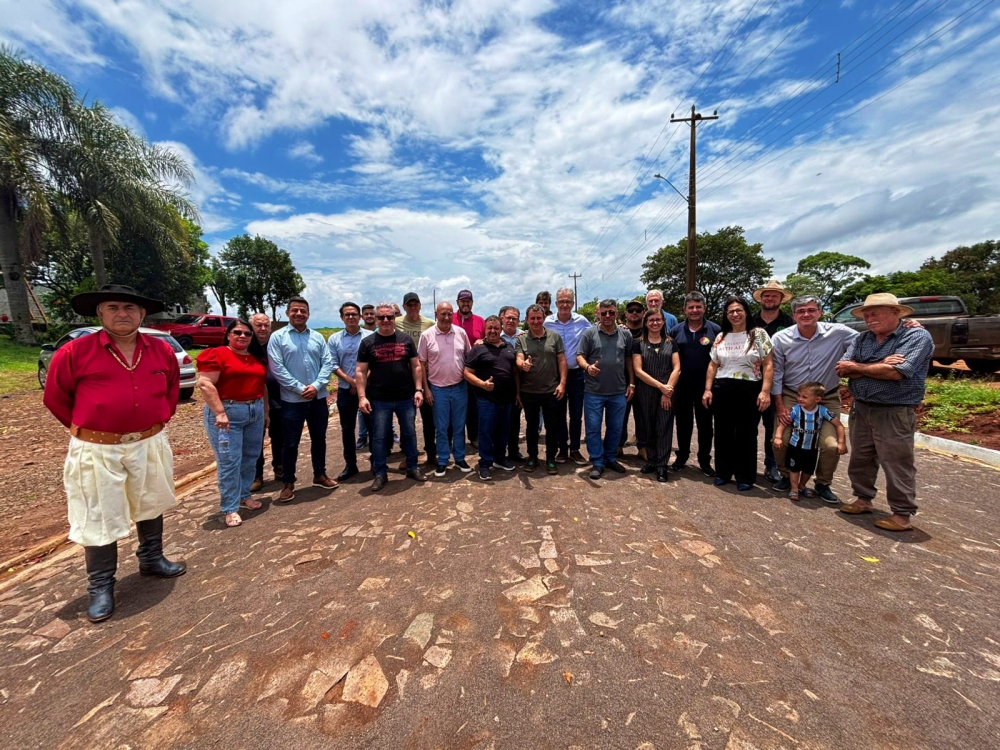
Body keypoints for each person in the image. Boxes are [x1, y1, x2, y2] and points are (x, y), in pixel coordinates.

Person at [43, 284, 186, 623]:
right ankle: (101, 585)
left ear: (142, 314)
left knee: (151, 500)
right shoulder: (75, 352)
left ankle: (152, 558)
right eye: (114, 307)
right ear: (100, 313)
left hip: (149, 442)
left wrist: (159, 418)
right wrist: (88, 427)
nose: (123, 313)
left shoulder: (160, 351)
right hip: (98, 447)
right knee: (99, 513)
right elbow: (55, 398)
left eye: (130, 308)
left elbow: (171, 390)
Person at [836, 294, 934, 531]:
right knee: (861, 457)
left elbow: (898, 372)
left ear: (895, 312)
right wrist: (881, 363)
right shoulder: (862, 339)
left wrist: (859, 367)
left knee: (897, 461)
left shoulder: (917, 336)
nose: (870, 318)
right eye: (867, 314)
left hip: (894, 410)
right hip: (862, 406)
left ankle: (902, 514)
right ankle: (863, 498)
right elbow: (842, 368)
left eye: (875, 313)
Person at [770, 295, 859, 503]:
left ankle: (823, 483)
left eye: (811, 310)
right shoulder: (781, 338)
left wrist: (906, 328)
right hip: (793, 395)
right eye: (801, 311)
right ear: (794, 315)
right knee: (781, 439)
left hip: (826, 397)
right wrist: (780, 404)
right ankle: (786, 476)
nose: (806, 314)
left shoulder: (838, 333)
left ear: (820, 312)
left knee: (830, 444)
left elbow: (869, 339)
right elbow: (777, 373)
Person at [197, 319, 269, 527]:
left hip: (254, 410)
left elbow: (262, 386)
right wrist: (219, 412)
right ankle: (230, 507)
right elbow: (205, 383)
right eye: (237, 332)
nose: (243, 336)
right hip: (228, 413)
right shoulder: (217, 354)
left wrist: (265, 412)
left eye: (248, 334)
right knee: (229, 461)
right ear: (228, 334)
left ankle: (244, 495)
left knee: (250, 456)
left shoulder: (255, 358)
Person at [267, 296, 338, 503]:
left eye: (303, 311)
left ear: (308, 314)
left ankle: (320, 474)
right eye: (295, 310)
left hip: (317, 399)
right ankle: (288, 482)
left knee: (319, 438)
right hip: (291, 400)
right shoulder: (278, 337)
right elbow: (276, 368)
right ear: (288, 312)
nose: (299, 314)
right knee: (290, 443)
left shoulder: (317, 337)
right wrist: (299, 388)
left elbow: (328, 363)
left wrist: (316, 386)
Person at [703, 296, 773, 491]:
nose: (735, 314)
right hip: (723, 389)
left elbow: (768, 365)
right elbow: (713, 364)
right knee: (723, 433)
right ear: (726, 315)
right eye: (731, 311)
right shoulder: (721, 337)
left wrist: (765, 392)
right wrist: (708, 389)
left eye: (738, 310)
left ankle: (745, 476)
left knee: (746, 434)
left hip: (749, 389)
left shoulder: (758, 334)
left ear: (746, 312)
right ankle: (723, 472)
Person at [356, 303, 427, 491]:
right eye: (381, 318)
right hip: (379, 399)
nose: (386, 320)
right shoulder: (368, 342)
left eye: (390, 317)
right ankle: (380, 473)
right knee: (379, 437)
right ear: (376, 319)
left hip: (405, 397)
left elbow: (416, 366)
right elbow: (361, 371)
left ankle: (412, 467)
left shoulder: (405, 340)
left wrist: (418, 389)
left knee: (409, 433)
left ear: (395, 318)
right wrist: (362, 397)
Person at [577, 299, 635, 480]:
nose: (607, 316)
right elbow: (579, 356)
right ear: (598, 314)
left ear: (617, 313)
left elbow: (628, 361)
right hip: (594, 391)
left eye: (611, 312)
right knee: (593, 429)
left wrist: (631, 383)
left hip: (618, 390)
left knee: (616, 428)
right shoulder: (589, 334)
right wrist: (587, 367)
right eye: (604, 313)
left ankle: (610, 457)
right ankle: (597, 461)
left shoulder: (626, 335)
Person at [670, 292, 721, 476]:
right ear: (684, 309)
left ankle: (704, 461)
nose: (694, 310)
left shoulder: (715, 331)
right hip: (682, 388)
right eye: (690, 307)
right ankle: (682, 456)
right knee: (683, 425)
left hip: (706, 388)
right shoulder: (675, 331)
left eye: (698, 307)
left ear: (704, 308)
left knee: (706, 426)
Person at [419, 302, 472, 476]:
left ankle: (459, 458)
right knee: (441, 427)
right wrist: (425, 389)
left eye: (449, 313)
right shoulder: (427, 336)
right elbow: (422, 364)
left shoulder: (461, 333)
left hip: (459, 387)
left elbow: (468, 358)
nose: (447, 317)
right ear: (436, 314)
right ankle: (442, 460)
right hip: (437, 389)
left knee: (458, 426)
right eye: (443, 314)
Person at [751, 280, 795, 484]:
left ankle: (772, 465)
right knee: (748, 426)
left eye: (774, 295)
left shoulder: (789, 324)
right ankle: (747, 463)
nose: (769, 299)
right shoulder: (750, 322)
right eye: (766, 295)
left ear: (781, 299)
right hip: (751, 382)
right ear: (761, 298)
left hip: (779, 382)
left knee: (774, 426)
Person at [772, 382, 847, 501]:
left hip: (812, 448)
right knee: (794, 468)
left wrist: (842, 442)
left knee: (808, 470)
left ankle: (803, 485)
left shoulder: (823, 411)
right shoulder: (796, 410)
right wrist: (778, 437)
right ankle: (794, 488)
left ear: (817, 399)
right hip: (796, 446)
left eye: (804, 397)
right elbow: (783, 423)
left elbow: (839, 425)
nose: (799, 399)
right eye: (799, 395)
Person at [464, 315, 518, 480]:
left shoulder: (509, 347)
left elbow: (514, 371)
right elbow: (466, 372)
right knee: (486, 432)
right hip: (486, 399)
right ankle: (485, 464)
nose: (493, 331)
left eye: (496, 328)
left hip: (506, 398)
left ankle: (500, 459)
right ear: (485, 330)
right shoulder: (478, 349)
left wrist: (517, 393)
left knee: (503, 431)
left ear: (501, 328)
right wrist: (482, 384)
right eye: (490, 328)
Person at [516, 304, 568, 474]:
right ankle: (532, 457)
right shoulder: (521, 339)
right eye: (533, 318)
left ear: (544, 318)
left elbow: (562, 360)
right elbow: (519, 358)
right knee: (531, 426)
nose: (536, 321)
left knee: (552, 426)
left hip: (551, 390)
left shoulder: (555, 337)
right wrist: (522, 365)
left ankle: (551, 458)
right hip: (529, 391)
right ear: (527, 320)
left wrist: (562, 383)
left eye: (539, 318)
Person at [631, 308, 681, 482]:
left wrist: (667, 391)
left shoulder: (671, 342)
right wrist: (661, 387)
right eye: (651, 320)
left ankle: (662, 465)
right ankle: (652, 460)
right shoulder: (638, 343)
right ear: (646, 323)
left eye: (658, 320)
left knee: (664, 427)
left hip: (668, 391)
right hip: (646, 390)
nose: (655, 323)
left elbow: (677, 368)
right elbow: (638, 370)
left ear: (663, 322)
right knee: (648, 425)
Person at [544, 287, 592, 465]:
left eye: (568, 301)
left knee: (576, 414)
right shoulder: (547, 322)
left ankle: (575, 449)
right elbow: (534, 335)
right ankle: (562, 449)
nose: (565, 305)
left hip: (577, 375)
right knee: (558, 414)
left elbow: (595, 333)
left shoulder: (582, 321)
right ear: (556, 304)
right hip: (556, 377)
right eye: (561, 301)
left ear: (573, 303)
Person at [327, 302, 374, 482]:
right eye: (347, 314)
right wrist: (352, 381)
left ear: (360, 316)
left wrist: (361, 381)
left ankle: (376, 462)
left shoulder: (370, 336)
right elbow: (333, 364)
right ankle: (351, 465)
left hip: (369, 390)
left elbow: (374, 362)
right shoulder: (335, 339)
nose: (351, 317)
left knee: (373, 427)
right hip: (346, 390)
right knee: (347, 429)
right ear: (342, 317)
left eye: (354, 314)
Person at [396, 292, 437, 467]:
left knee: (429, 420)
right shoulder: (396, 323)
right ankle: (409, 455)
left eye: (415, 304)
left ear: (420, 306)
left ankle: (431, 454)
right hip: (404, 378)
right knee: (407, 420)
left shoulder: (429, 324)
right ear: (404, 307)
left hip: (427, 377)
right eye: (409, 305)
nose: (412, 307)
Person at [250, 313, 284, 492]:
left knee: (279, 437)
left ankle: (279, 467)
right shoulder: (247, 346)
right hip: (254, 402)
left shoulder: (275, 345)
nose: (263, 329)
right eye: (258, 325)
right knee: (256, 440)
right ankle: (256, 476)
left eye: (266, 325)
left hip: (278, 399)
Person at [454, 290, 486, 448]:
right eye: (462, 301)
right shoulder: (449, 318)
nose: (465, 304)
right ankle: (454, 439)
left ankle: (474, 437)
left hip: (474, 370)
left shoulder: (480, 321)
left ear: (472, 303)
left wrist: (483, 340)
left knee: (473, 406)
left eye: (468, 301)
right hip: (454, 370)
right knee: (455, 407)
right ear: (457, 302)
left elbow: (489, 339)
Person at [619, 299, 647, 459]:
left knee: (642, 414)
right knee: (620, 414)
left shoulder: (650, 330)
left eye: (638, 310)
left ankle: (643, 446)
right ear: (626, 314)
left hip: (645, 379)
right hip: (622, 379)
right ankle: (618, 445)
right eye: (631, 310)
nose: (634, 313)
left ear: (643, 312)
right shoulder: (620, 332)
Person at [499, 306, 527, 463]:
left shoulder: (524, 337)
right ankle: (499, 452)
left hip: (519, 384)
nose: (511, 321)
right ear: (502, 317)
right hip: (499, 385)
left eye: (514, 318)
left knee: (515, 420)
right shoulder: (494, 334)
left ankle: (514, 451)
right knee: (500, 421)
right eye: (508, 317)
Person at [356, 304, 378, 449]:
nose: (369, 316)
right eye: (367, 314)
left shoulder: (376, 333)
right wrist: (357, 382)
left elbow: (375, 362)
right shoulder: (365, 337)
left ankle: (389, 434)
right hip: (355, 381)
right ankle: (363, 436)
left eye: (372, 313)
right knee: (362, 409)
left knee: (380, 409)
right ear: (362, 316)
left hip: (373, 379)